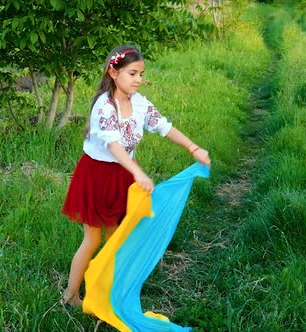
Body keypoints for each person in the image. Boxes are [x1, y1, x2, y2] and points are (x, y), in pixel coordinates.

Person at [60, 45, 211, 307]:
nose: (139, 80)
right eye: (132, 73)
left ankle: (107, 290)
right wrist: (139, 172)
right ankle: (70, 295)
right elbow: (113, 145)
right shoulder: (104, 106)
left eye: (141, 74)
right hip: (97, 175)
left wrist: (193, 147)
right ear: (113, 73)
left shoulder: (139, 103)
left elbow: (164, 127)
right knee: (93, 238)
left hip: (123, 176)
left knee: (116, 236)